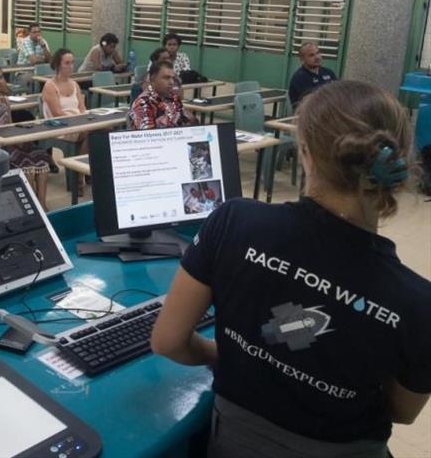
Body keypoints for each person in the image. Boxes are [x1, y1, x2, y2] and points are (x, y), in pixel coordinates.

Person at [151, 80, 431, 457]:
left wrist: (226, 355)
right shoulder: (418, 304)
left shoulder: (233, 222)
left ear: (307, 155)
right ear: (394, 160)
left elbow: (167, 341)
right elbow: (402, 412)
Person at [0, 64, 50, 210]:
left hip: (9, 143)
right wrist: (2, 142)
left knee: (41, 158)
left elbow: (10, 126)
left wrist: (17, 141)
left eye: (1, 77)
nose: (0, 81)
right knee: (27, 165)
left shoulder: (4, 100)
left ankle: (42, 205)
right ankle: (32, 205)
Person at [42, 48, 88, 194]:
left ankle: (81, 172)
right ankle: (79, 175)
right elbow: (57, 113)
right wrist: (78, 122)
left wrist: (83, 119)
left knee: (102, 131)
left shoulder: (75, 84)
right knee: (92, 133)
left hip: (77, 125)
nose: (71, 66)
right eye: (67, 63)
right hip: (59, 126)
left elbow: (82, 108)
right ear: (58, 65)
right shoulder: (50, 85)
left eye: (72, 63)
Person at [128, 60, 196, 130]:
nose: (172, 82)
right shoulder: (143, 103)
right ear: (152, 79)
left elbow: (185, 120)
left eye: (172, 78)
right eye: (166, 78)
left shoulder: (173, 97)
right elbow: (149, 137)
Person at [288, 41, 337, 108]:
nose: (317, 57)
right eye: (311, 55)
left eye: (318, 53)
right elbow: (311, 101)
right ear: (302, 59)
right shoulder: (299, 78)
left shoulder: (328, 72)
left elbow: (337, 94)